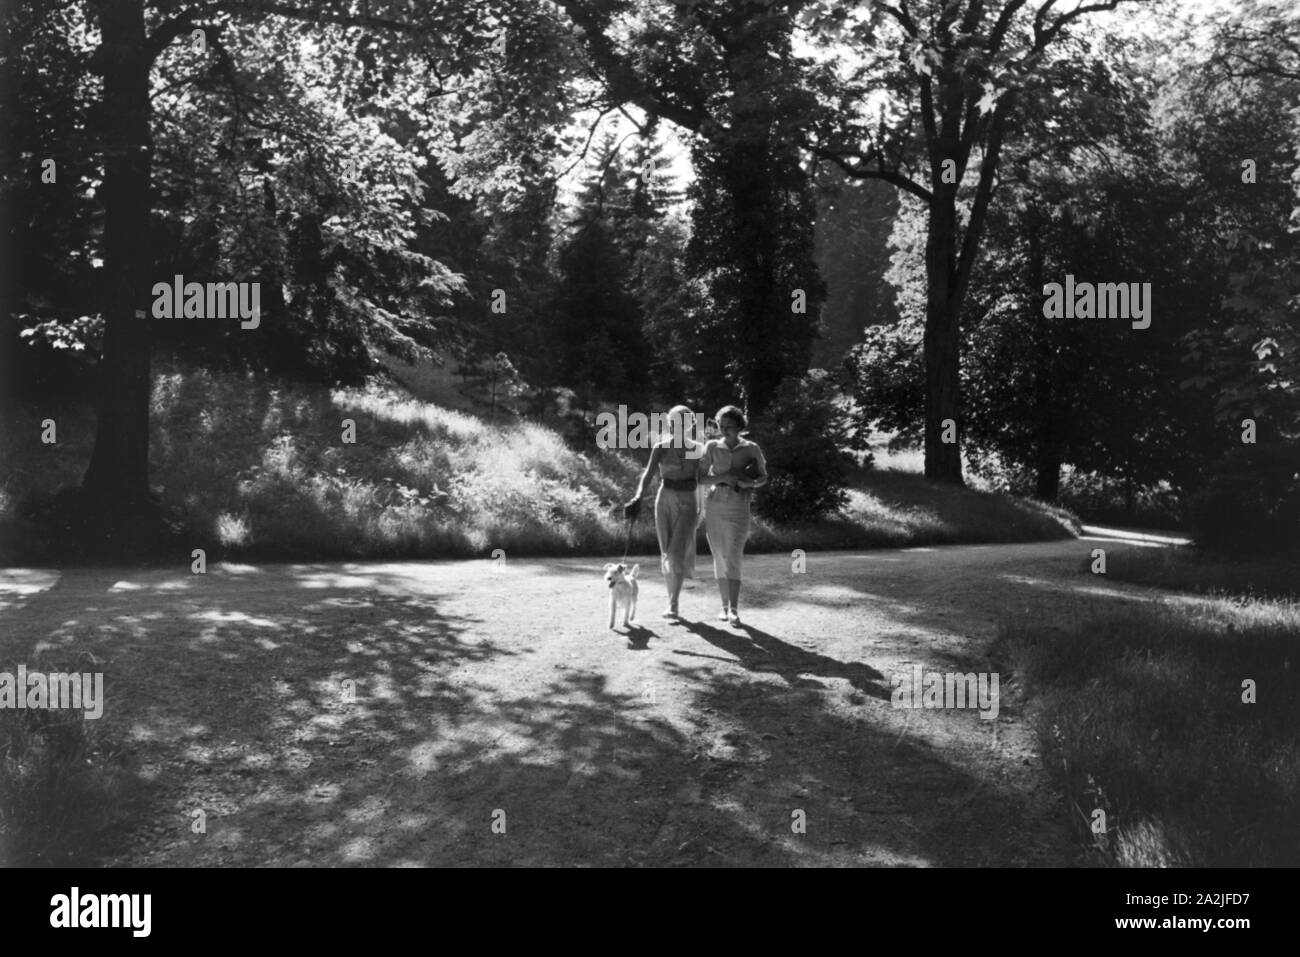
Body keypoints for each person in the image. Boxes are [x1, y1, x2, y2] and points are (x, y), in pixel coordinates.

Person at [624, 405, 702, 620]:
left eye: (683, 421)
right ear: (669, 423)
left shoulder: (698, 448)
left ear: (690, 424)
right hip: (665, 498)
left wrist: (702, 506)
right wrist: (638, 496)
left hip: (688, 500)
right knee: (667, 552)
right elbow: (647, 475)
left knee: (676, 552)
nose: (678, 425)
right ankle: (671, 601)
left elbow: (702, 480)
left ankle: (674, 605)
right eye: (674, 421)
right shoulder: (661, 446)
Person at [700, 405, 767, 626]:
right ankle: (724, 607)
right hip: (716, 505)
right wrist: (723, 477)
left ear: (739, 426)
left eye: (729, 425)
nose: (724, 429)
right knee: (719, 555)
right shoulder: (711, 447)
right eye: (721, 425)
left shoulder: (752, 448)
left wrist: (750, 483)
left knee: (734, 554)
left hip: (739, 505)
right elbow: (700, 478)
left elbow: (763, 478)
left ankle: (735, 610)